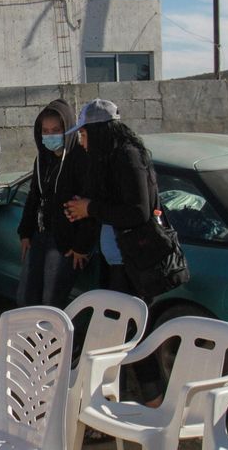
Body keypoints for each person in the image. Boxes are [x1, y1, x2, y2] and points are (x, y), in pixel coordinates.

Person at [62, 98, 163, 407]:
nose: (81, 140)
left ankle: (148, 403)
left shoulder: (128, 157)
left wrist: (90, 207)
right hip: (114, 261)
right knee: (118, 335)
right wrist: (85, 211)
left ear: (101, 131)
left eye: (84, 134)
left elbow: (138, 211)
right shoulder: (107, 159)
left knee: (126, 335)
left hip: (130, 264)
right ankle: (118, 404)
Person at [15, 99, 97, 308]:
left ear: (68, 130)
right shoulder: (42, 159)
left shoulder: (81, 159)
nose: (50, 135)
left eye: (56, 130)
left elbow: (90, 206)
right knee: (26, 297)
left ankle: (54, 341)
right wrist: (25, 232)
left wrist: (81, 246)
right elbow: (34, 196)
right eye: (46, 130)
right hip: (39, 235)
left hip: (65, 243)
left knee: (51, 301)